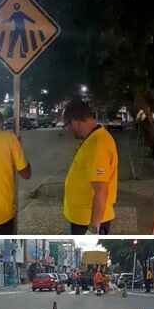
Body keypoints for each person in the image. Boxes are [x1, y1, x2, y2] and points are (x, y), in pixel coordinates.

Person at [61, 99, 118, 235]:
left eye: (66, 125)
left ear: (75, 122)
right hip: (82, 218)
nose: (67, 130)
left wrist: (93, 230)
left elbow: (101, 191)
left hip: (87, 222)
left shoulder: (97, 146)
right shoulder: (91, 139)